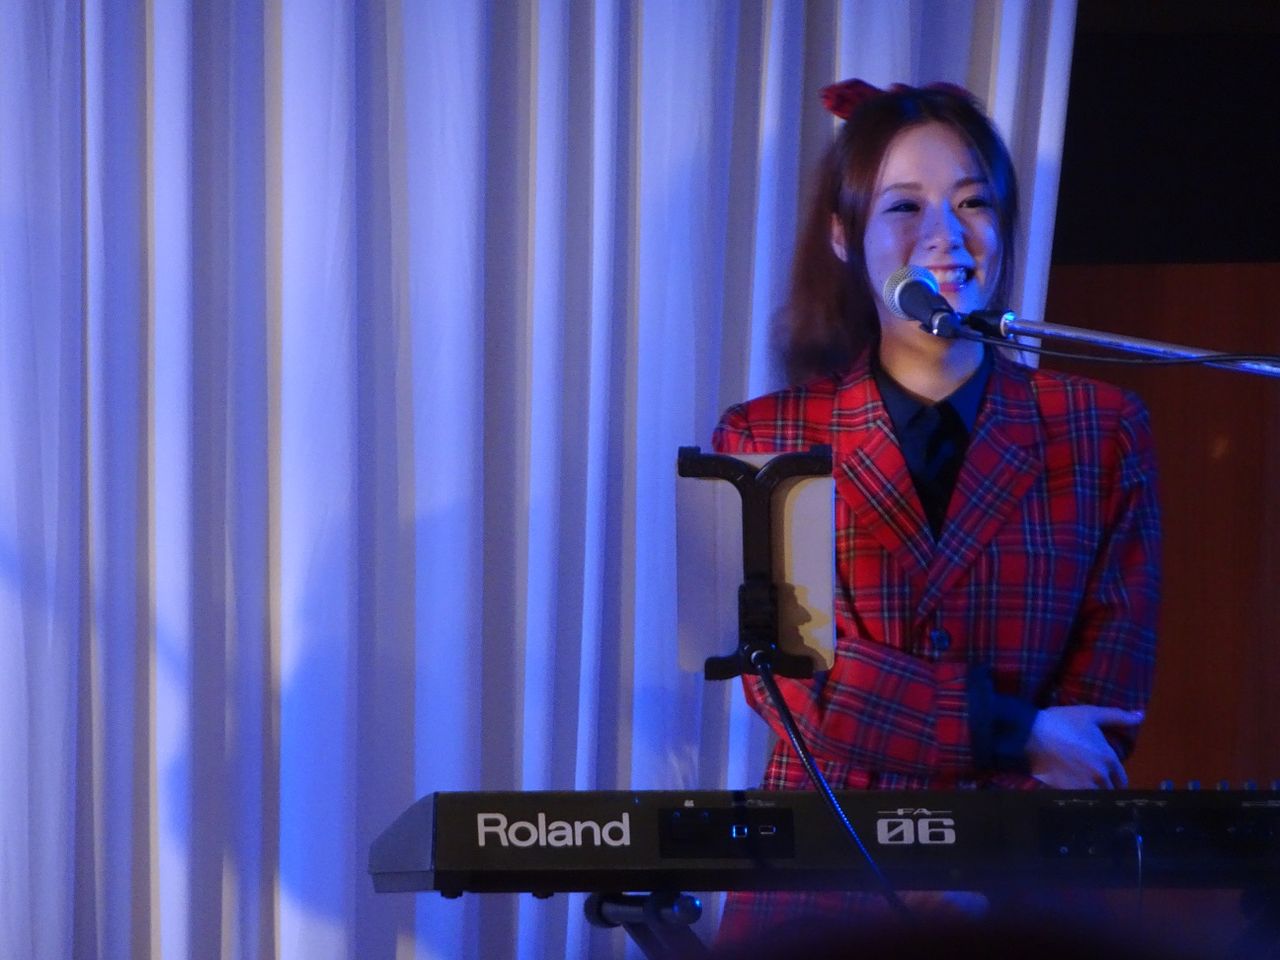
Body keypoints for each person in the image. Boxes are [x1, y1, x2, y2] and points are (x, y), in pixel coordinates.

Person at [712, 79, 1161, 940]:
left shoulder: (1103, 431)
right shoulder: (763, 436)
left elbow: (1103, 707)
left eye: (972, 202)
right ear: (843, 236)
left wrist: (980, 881)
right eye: (904, 206)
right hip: (822, 884)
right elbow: (793, 683)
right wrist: (1014, 730)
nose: (946, 236)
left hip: (1027, 891)